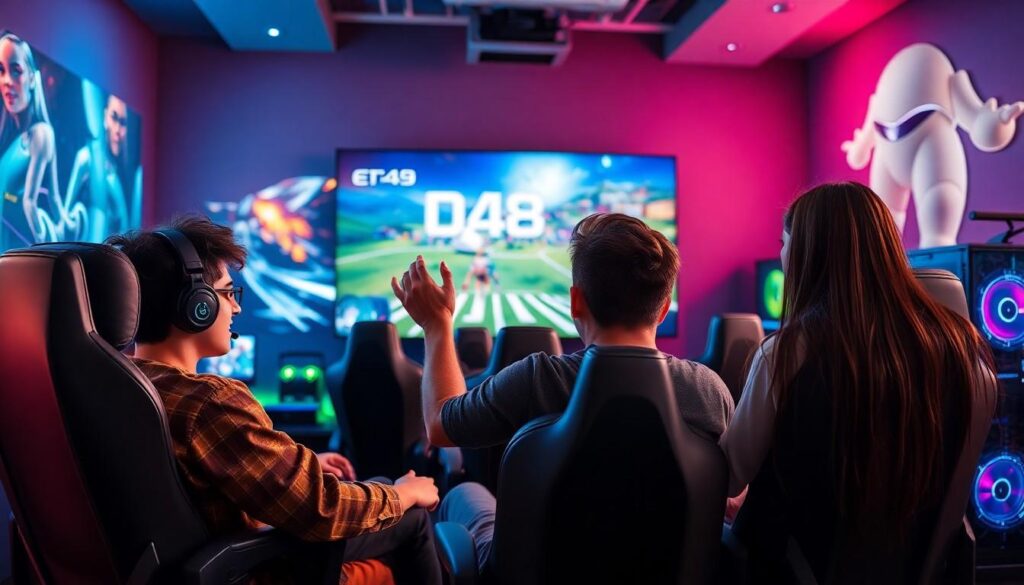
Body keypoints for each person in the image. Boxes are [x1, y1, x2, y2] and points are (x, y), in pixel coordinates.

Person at [391, 212, 734, 574]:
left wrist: (437, 325)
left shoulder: (536, 378)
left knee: (464, 493)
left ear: (575, 302)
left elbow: (440, 424)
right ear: (663, 309)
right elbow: (726, 493)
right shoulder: (708, 390)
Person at [108, 215, 442, 585]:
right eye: (228, 293)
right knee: (411, 513)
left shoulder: (118, 385)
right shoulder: (211, 401)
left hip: (188, 560)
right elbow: (320, 508)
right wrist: (405, 494)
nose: (236, 308)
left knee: (379, 483)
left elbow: (194, 478)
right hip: (255, 569)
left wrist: (297, 465)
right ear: (196, 305)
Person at [719, 182, 997, 583]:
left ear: (806, 253)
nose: (781, 255)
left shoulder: (786, 352)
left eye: (784, 243)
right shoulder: (963, 349)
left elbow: (730, 476)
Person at [0, 31, 80, 251]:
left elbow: (30, 202)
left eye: (16, 71)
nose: (7, 81)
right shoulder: (15, 139)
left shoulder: (41, 134)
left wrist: (45, 250)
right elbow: (53, 198)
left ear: (32, 79)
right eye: (1, 70)